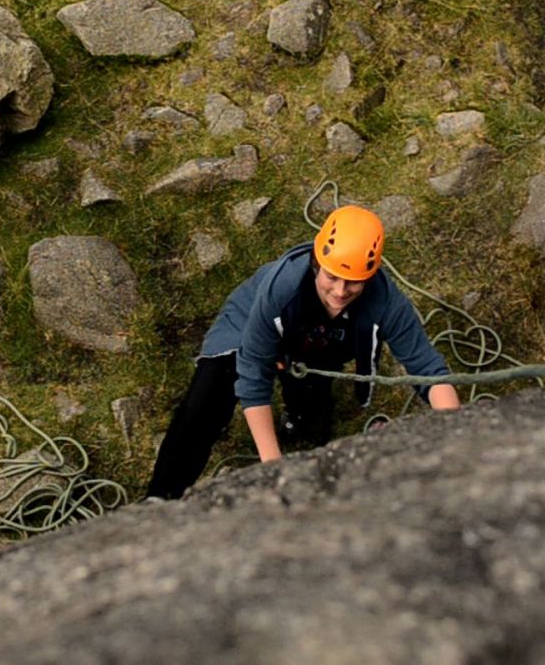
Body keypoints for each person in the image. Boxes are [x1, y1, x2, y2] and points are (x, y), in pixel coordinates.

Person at [146, 205, 460, 499]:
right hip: (247, 328)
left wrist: (457, 441)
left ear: (370, 278)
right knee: (203, 406)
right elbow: (253, 374)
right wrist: (275, 469)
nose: (340, 291)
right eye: (332, 277)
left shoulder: (386, 301)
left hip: (316, 344)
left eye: (353, 283)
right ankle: (161, 498)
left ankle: (297, 421)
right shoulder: (281, 288)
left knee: (312, 409)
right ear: (315, 263)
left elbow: (428, 370)